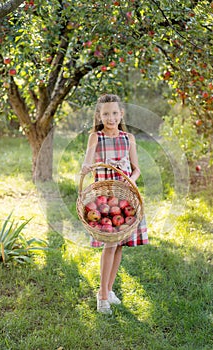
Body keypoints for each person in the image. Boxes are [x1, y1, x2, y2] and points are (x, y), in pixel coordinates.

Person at [81, 93, 149, 315]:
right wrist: (88, 167)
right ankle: (102, 297)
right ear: (99, 116)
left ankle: (109, 290)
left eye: (114, 113)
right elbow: (88, 163)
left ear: (121, 114)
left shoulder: (128, 138)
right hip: (105, 201)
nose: (111, 118)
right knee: (109, 244)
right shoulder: (96, 138)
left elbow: (136, 168)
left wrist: (130, 181)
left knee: (119, 245)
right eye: (106, 113)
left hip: (126, 198)